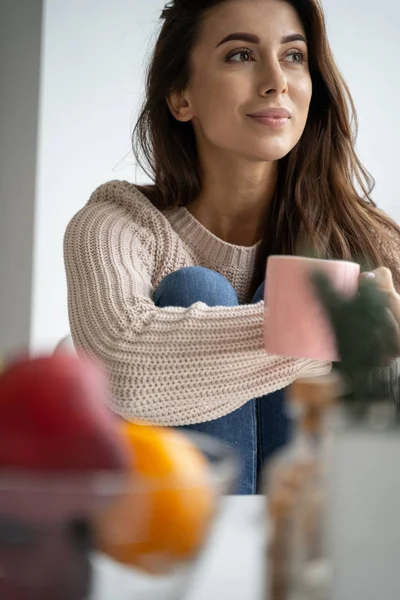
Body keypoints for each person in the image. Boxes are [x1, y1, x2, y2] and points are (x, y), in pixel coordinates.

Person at [64, 0, 400, 494]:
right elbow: (123, 364)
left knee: (299, 279)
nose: (276, 81)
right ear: (181, 97)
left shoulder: (361, 234)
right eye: (240, 55)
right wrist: (332, 325)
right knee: (197, 287)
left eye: (293, 56)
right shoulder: (118, 224)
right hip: (180, 525)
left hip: (316, 528)